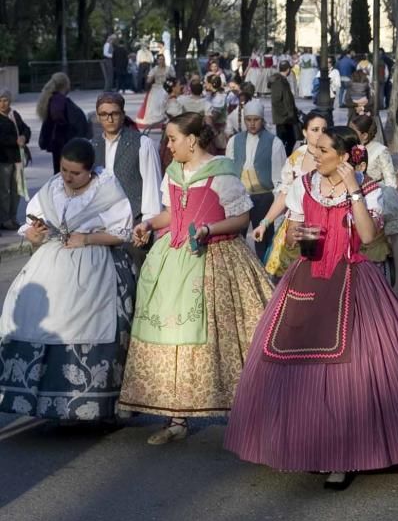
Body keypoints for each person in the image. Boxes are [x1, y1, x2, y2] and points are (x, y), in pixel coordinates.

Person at [225, 126, 398, 487]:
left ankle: (342, 454)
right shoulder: (303, 186)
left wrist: (353, 189)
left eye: (323, 150)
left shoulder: (370, 190)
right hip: (307, 277)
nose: (315, 154)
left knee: (351, 371)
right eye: (315, 148)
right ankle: (301, 443)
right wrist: (293, 234)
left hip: (353, 277)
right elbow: (293, 231)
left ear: (343, 155)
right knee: (292, 363)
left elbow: (368, 237)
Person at [120, 112, 273, 445]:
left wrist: (208, 229)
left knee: (225, 338)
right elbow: (173, 213)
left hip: (217, 256)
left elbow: (242, 218)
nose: (168, 145)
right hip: (175, 257)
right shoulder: (174, 173)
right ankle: (177, 417)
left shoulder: (222, 173)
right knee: (173, 336)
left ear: (191, 140)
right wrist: (148, 224)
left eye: (172, 138)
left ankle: (248, 414)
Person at [0, 139, 136, 420]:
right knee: (35, 316)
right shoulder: (52, 189)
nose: (68, 177)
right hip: (51, 261)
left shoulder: (107, 190)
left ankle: (90, 405)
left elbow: (122, 233)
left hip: (94, 263)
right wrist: (34, 234)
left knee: (86, 319)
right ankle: (40, 401)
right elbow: (35, 225)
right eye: (64, 170)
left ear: (90, 172)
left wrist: (87, 238)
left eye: (75, 173)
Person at [257, 110, 330, 279]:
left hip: (324, 225)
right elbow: (284, 194)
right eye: (315, 129)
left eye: (324, 130)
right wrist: (265, 222)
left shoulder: (332, 156)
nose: (320, 134)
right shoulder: (296, 158)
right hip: (295, 226)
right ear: (305, 132)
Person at [92, 92, 163, 265]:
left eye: (114, 113)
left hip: (135, 223)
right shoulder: (92, 145)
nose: (109, 119)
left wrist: (148, 225)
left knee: (139, 277)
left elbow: (152, 187)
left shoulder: (142, 143)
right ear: (97, 117)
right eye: (104, 114)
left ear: (123, 115)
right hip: (101, 224)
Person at [350, 114, 398, 300]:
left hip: (377, 192)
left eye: (354, 132)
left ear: (365, 135)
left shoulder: (379, 151)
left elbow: (389, 176)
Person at [225, 100, 286, 260]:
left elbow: (279, 176)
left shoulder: (275, 143)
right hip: (240, 196)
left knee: (263, 238)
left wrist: (276, 202)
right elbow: (229, 170)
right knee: (236, 237)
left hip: (263, 195)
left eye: (256, 119)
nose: (252, 124)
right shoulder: (234, 141)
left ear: (262, 120)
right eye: (248, 120)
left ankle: (265, 268)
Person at [37, 72, 89, 174]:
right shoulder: (59, 101)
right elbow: (63, 121)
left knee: (59, 173)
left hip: (58, 144)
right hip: (63, 144)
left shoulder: (53, 99)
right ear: (65, 85)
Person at [0, 90, 30, 229]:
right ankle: (5, 219)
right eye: (0, 100)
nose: (2, 103)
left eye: (5, 100)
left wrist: (24, 137)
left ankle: (13, 217)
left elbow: (26, 129)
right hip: (4, 159)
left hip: (17, 159)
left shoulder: (14, 114)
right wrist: (15, 141)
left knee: (17, 190)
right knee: (4, 191)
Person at [137, 55, 175, 128]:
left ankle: (165, 117)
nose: (161, 61)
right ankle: (156, 119)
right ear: (157, 60)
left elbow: (173, 78)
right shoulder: (154, 69)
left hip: (165, 87)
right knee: (155, 97)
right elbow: (149, 79)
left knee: (164, 96)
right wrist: (149, 79)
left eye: (163, 59)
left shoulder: (168, 68)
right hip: (157, 86)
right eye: (160, 59)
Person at [270, 60, 298, 156]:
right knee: (286, 141)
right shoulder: (279, 81)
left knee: (290, 140)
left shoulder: (281, 80)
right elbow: (276, 100)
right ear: (288, 69)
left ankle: (285, 158)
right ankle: (284, 159)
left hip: (286, 118)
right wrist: (286, 114)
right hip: (284, 119)